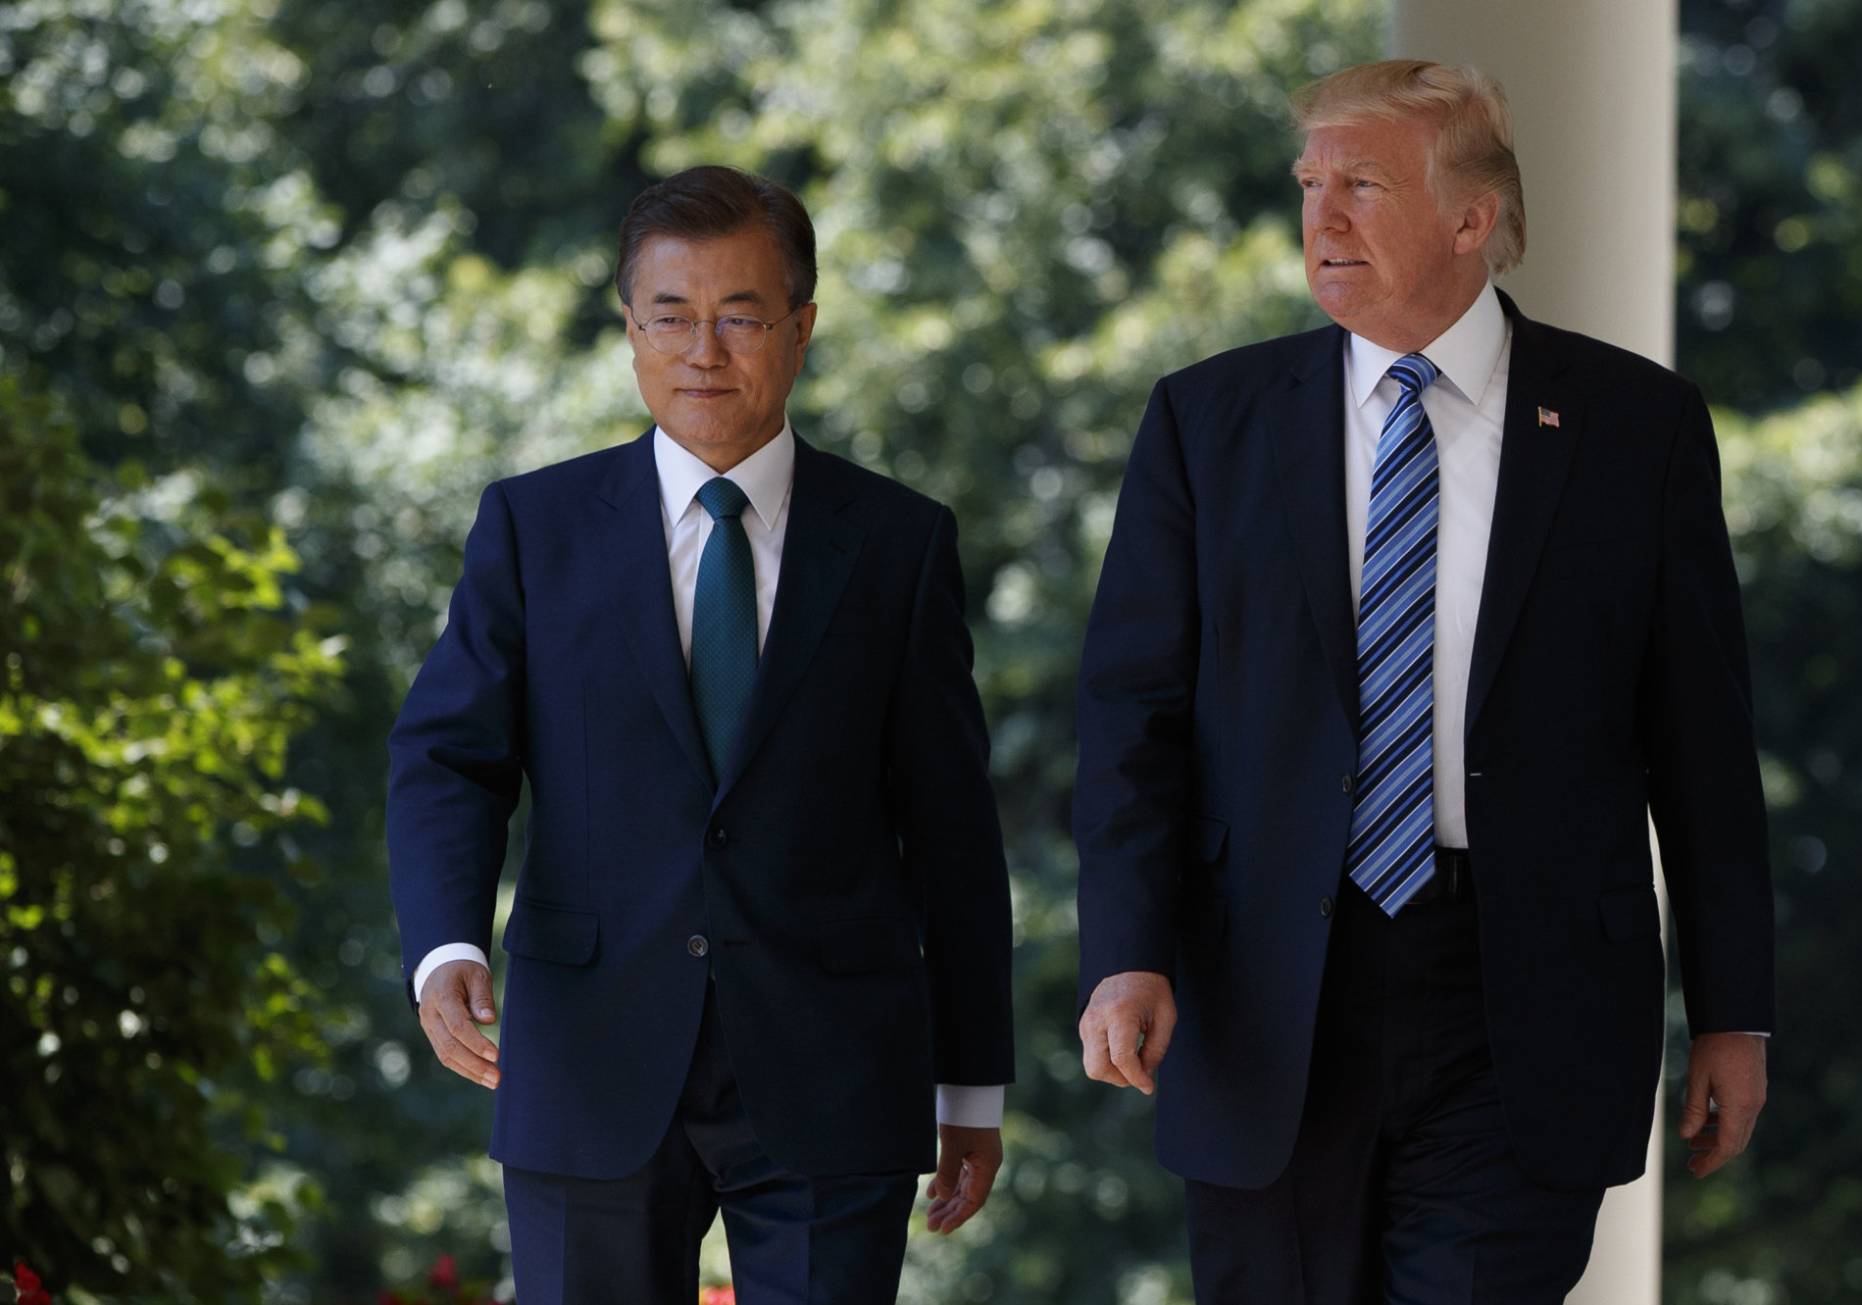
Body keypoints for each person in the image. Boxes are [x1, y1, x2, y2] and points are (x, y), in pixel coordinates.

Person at [1073, 60, 1773, 1303]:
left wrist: (1734, 1012)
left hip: (1524, 1001)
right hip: (1266, 991)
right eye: (1308, 185)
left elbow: (1701, 743)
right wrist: (1124, 951)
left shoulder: (1634, 427)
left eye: (1361, 184)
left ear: (1470, 217)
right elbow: (1135, 717)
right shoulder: (1206, 421)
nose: (1320, 218)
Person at [387, 165, 1014, 1305]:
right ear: (629, 331)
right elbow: (447, 756)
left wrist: (972, 1086)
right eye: (668, 317)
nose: (702, 352)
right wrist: (444, 946)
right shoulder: (533, 528)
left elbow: (953, 831)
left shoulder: (897, 544)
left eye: (740, 317)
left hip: (834, 1068)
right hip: (589, 1055)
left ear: (802, 329)